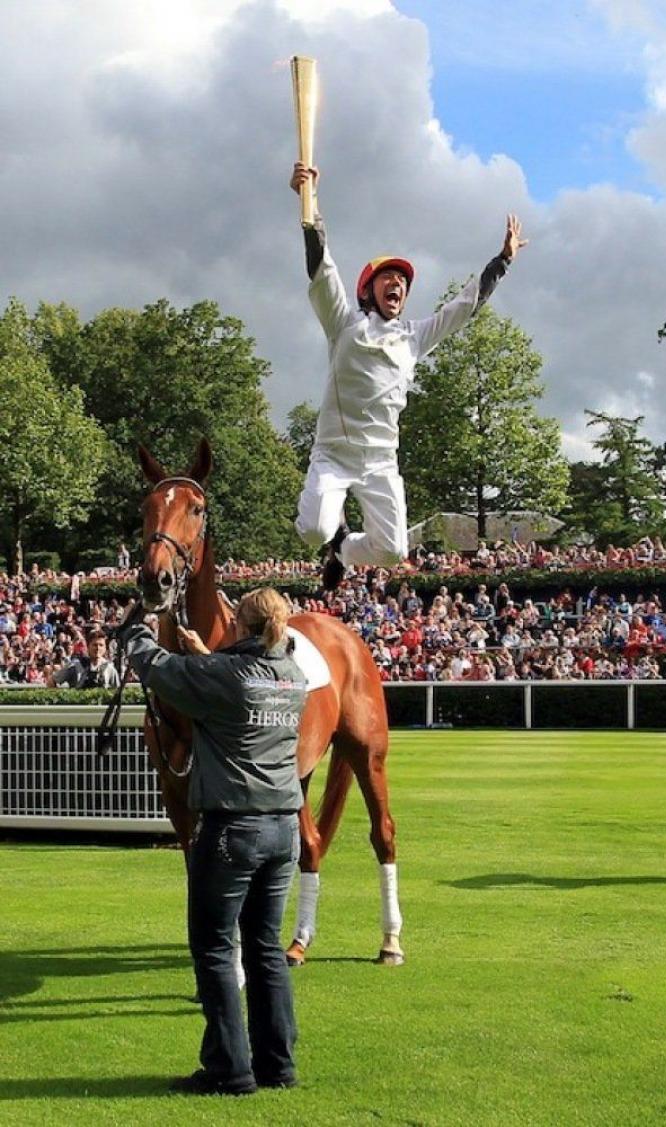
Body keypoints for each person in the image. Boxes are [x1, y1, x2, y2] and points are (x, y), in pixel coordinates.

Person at [290, 161, 528, 590]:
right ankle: (331, 537)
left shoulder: (414, 337)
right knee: (312, 531)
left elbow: (464, 307)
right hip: (334, 454)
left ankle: (342, 549)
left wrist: (503, 261)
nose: (397, 283)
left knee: (393, 551)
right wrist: (310, 205)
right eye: (388, 277)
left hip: (381, 459)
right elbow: (322, 268)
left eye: (402, 280)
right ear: (368, 290)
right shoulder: (343, 323)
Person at [116, 588, 306, 1096]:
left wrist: (133, 629)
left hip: (232, 829)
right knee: (264, 947)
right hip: (283, 828)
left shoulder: (226, 675)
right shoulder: (293, 676)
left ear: (239, 624)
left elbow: (158, 668)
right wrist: (206, 655)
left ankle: (229, 1069)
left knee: (215, 948)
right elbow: (243, 680)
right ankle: (277, 1064)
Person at [46, 628, 120, 689]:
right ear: (88, 646)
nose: (98, 648)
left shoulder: (109, 668)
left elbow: (117, 690)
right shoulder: (75, 665)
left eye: (101, 645)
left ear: (105, 648)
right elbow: (51, 681)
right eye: (94, 645)